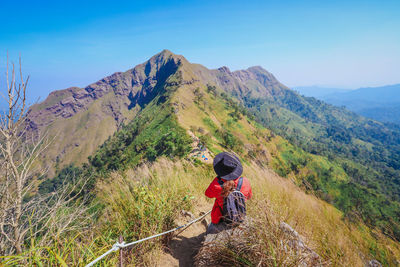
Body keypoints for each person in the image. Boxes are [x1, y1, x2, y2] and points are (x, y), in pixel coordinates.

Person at [205, 152, 252, 234]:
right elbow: (249, 197)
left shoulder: (216, 184)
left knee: (210, 228)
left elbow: (208, 194)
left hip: (220, 218)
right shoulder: (245, 181)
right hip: (239, 216)